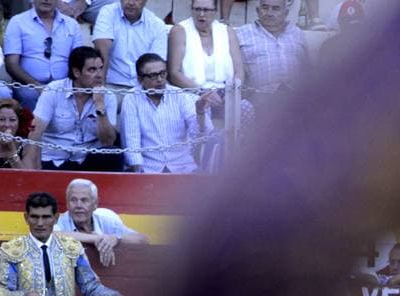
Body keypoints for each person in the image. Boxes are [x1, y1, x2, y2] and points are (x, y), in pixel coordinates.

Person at [0, 191, 138, 296]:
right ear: (26, 218)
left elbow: (91, 288)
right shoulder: (11, 250)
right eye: (34, 217)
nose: (40, 223)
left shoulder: (72, 248)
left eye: (46, 217)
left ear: (56, 218)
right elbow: (2, 293)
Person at [168, 0, 244, 169]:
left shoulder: (227, 32)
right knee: (200, 112)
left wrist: (232, 94)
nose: (202, 15)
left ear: (215, 11)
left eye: (207, 10)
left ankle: (240, 165)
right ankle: (201, 162)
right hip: (192, 91)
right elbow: (174, 73)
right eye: (198, 9)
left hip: (227, 91)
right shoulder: (180, 31)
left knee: (245, 108)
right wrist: (203, 92)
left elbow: (239, 71)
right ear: (192, 9)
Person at [24, 46, 121, 171]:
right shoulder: (54, 90)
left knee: (113, 156)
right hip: (52, 159)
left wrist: (100, 106)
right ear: (76, 72)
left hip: (87, 160)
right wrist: (32, 170)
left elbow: (108, 142)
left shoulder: (108, 96)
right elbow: (35, 132)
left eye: (101, 68)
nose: (99, 75)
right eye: (92, 70)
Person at [121, 52, 201, 174]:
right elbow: (132, 141)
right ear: (140, 79)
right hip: (148, 169)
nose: (159, 80)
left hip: (183, 167)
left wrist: (201, 113)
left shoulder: (180, 96)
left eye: (162, 74)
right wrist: (138, 175)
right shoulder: (131, 98)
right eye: (153, 75)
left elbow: (199, 133)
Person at [3, 0, 82, 110]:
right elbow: (11, 64)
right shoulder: (17, 22)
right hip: (28, 85)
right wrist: (35, 85)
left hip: (64, 85)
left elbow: (78, 61)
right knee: (30, 95)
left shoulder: (72, 25)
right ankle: (35, 127)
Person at [54, 177, 149, 266]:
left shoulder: (106, 219)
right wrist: (96, 238)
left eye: (84, 200)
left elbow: (142, 239)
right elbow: (53, 235)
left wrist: (116, 239)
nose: (78, 205)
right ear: (67, 204)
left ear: (95, 204)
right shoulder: (61, 221)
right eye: (73, 200)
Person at [235, 0, 309, 103]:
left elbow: (308, 68)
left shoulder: (297, 34)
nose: (269, 13)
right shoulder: (241, 34)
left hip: (295, 99)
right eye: (265, 8)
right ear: (258, 10)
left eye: (276, 8)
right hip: (258, 98)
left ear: (286, 13)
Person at [92, 0, 168, 98]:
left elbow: (156, 65)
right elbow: (102, 52)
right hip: (111, 85)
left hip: (143, 87)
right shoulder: (108, 12)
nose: (131, 3)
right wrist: (100, 88)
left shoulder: (157, 24)